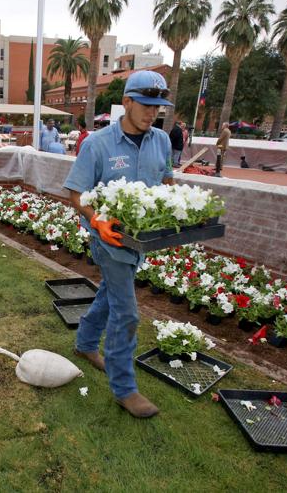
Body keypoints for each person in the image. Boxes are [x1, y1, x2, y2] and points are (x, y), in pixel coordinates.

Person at [63, 70, 174, 419]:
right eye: (145, 105)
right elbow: (76, 194)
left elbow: (166, 181)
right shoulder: (98, 144)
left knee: (110, 295)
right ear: (126, 102)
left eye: (158, 108)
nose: (151, 113)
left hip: (139, 241)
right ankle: (124, 388)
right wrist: (96, 219)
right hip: (107, 240)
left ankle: (84, 344)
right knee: (127, 311)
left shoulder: (162, 141)